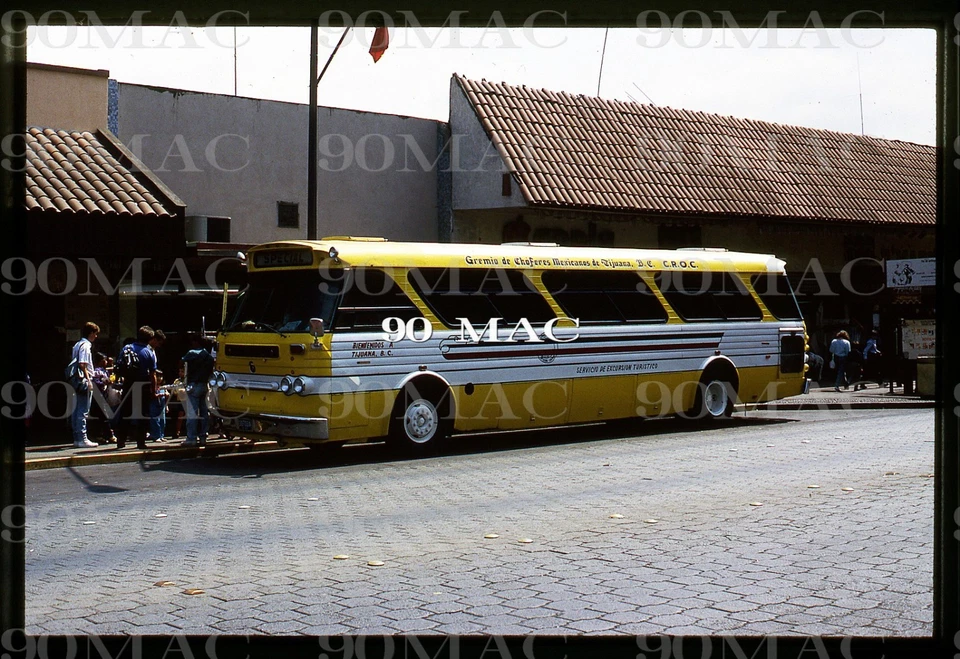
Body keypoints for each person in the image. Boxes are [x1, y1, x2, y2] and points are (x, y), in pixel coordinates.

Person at [115, 326, 158, 450]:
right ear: (150, 339)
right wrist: (154, 390)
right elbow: (153, 374)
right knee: (143, 415)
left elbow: (119, 366)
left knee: (125, 413)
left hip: (128, 383)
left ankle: (121, 440)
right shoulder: (148, 352)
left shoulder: (127, 348)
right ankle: (141, 442)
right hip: (143, 385)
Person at [181, 335, 215, 446]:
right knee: (204, 412)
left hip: (193, 384)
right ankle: (203, 436)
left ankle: (191, 438)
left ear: (196, 342)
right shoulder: (209, 356)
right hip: (205, 385)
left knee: (192, 413)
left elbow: (182, 362)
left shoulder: (192, 353)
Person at [70, 322, 99, 448]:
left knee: (76, 409)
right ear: (91, 333)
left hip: (75, 380)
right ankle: (83, 438)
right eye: (95, 334)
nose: (96, 336)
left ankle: (77, 438)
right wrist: (88, 380)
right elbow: (83, 364)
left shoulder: (77, 344)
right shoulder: (86, 345)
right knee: (83, 410)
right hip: (83, 380)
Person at [91, 352, 118, 444]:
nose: (106, 362)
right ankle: (109, 435)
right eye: (104, 360)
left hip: (104, 395)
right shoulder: (96, 371)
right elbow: (95, 382)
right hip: (98, 395)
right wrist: (104, 382)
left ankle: (101, 435)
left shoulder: (105, 370)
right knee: (104, 416)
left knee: (102, 416)